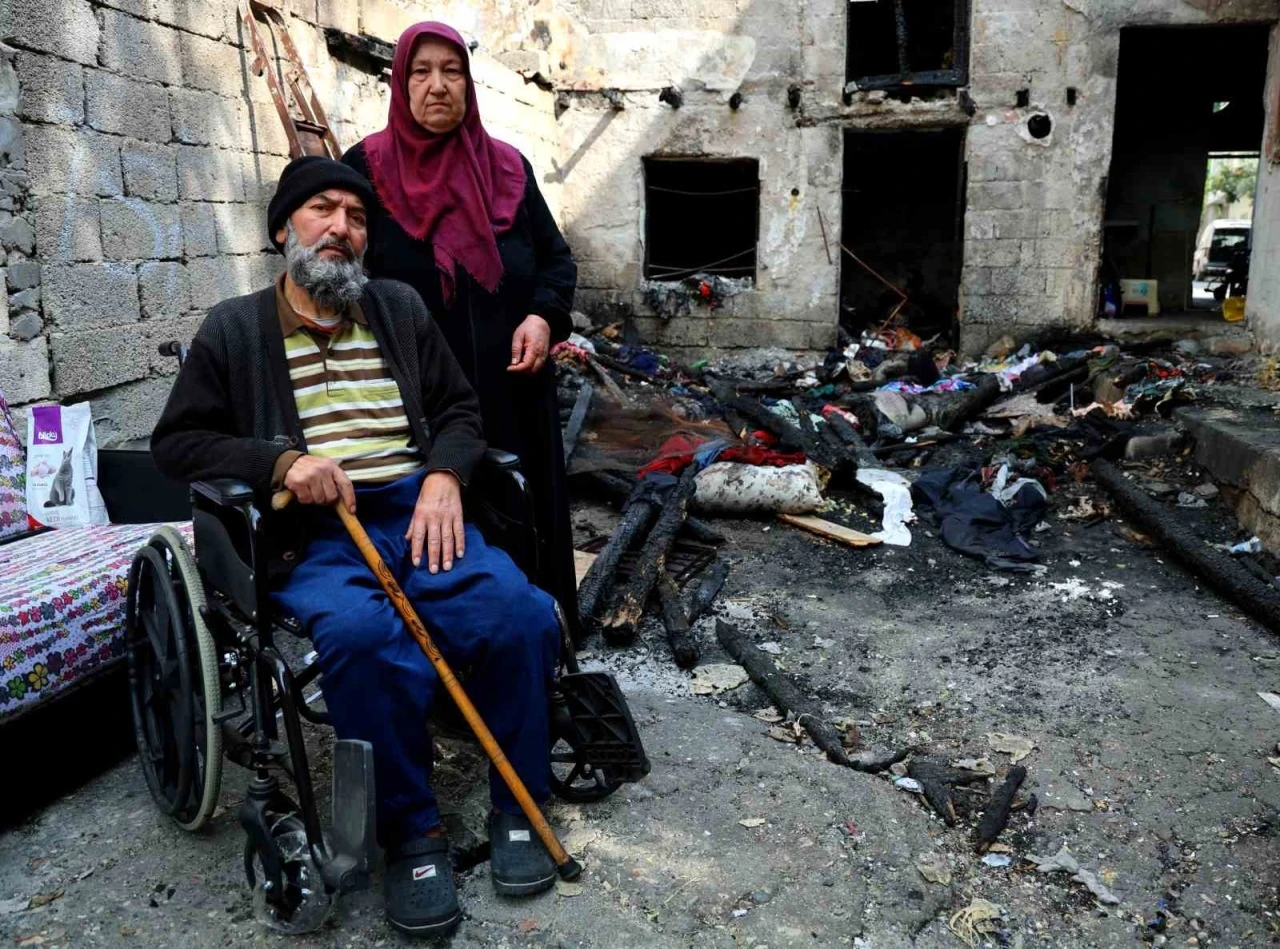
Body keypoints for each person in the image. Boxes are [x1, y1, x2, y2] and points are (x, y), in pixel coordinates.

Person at [151, 156, 561, 936]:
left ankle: (519, 800)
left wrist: (444, 474)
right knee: (364, 640)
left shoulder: (398, 309)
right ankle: (413, 830)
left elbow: (459, 411)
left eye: (358, 216)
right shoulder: (235, 328)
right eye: (323, 210)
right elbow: (178, 444)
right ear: (283, 229)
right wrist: (281, 462)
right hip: (315, 536)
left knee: (522, 614)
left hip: (416, 511)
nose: (342, 227)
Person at [341, 22, 582, 640]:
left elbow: (556, 261)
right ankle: (440, 657)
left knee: (521, 517)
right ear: (401, 83)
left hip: (513, 389)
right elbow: (337, 270)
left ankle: (538, 644)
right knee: (435, 531)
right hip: (417, 400)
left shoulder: (508, 168)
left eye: (452, 71)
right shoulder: (365, 170)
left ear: (468, 86)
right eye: (421, 72)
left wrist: (543, 317)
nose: (438, 85)